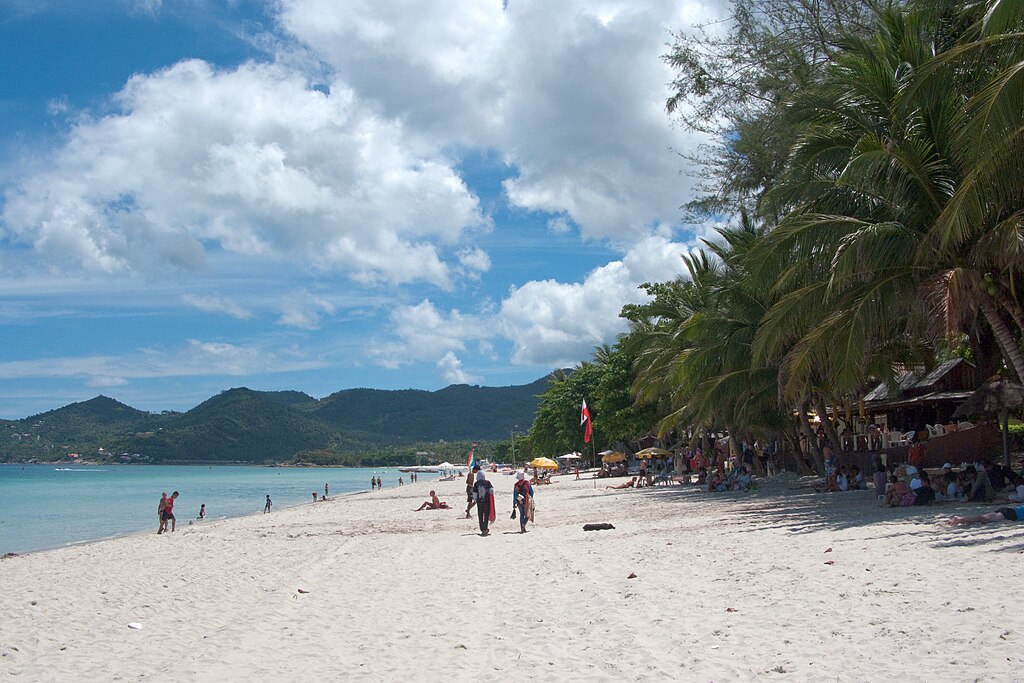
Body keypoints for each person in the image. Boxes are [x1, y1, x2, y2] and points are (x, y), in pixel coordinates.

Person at [948, 505, 1024, 525]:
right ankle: (959, 519)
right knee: (983, 519)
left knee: (983, 519)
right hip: (1010, 514)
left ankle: (961, 520)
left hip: (1009, 510)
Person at [472, 471, 495, 535]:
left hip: (479, 502)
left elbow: (474, 494)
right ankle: (485, 528)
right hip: (487, 501)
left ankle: (482, 529)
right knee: (486, 516)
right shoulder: (488, 482)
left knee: (480, 515)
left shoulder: (476, 483)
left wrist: (476, 500)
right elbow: (491, 490)